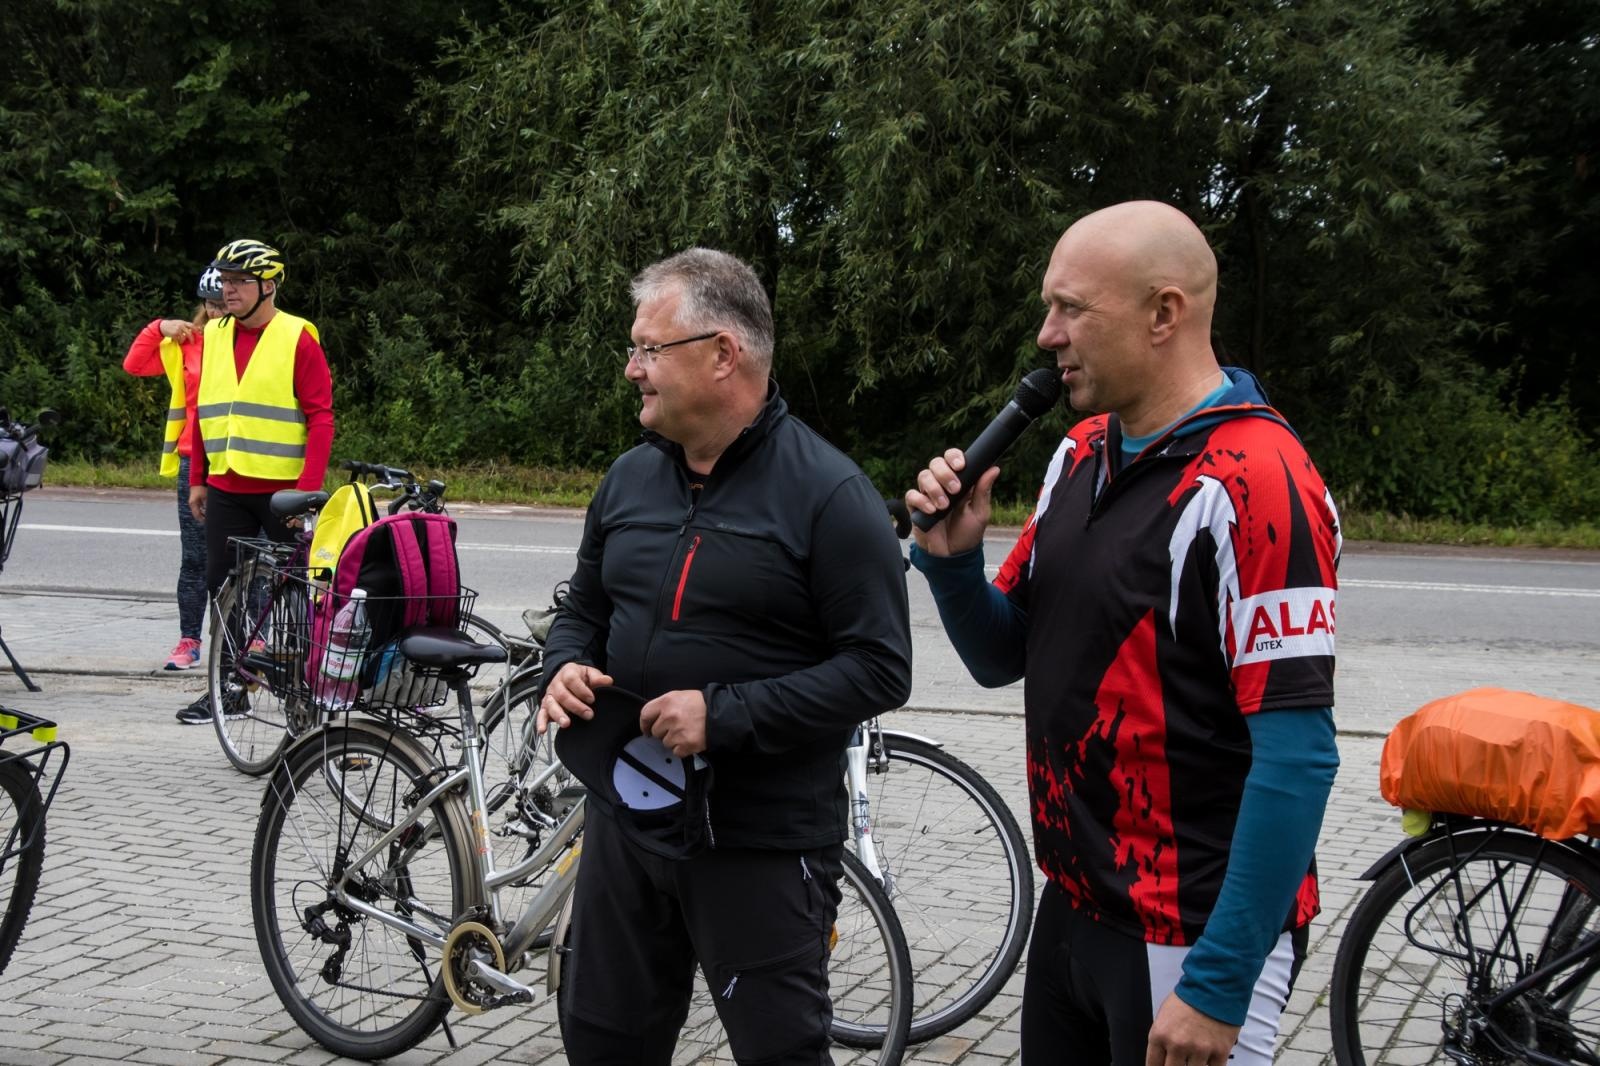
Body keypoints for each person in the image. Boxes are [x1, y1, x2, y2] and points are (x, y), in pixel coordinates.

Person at [904, 201, 1341, 1066]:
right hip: (1073, 906)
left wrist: (1219, 982)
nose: (1047, 335)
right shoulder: (1081, 452)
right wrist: (953, 566)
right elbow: (1002, 655)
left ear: (1163, 313)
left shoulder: (1258, 482)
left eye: (1070, 308)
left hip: (1191, 935)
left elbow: (1299, 759)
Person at [535, 247, 912, 1065]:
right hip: (626, 824)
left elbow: (880, 668)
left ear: (721, 354)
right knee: (602, 1041)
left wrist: (724, 715)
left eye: (649, 349)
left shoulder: (830, 496)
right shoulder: (628, 480)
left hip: (759, 843)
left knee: (779, 1053)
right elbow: (584, 609)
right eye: (633, 348)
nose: (632, 369)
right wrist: (561, 664)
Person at [176, 238, 335, 724]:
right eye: (225, 281)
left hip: (282, 493)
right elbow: (205, 409)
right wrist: (199, 478)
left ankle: (303, 693)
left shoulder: (297, 336)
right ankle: (229, 688)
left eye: (240, 281)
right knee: (221, 587)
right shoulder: (216, 333)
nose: (229, 290)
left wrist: (306, 491)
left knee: (297, 592)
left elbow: (321, 417)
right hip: (226, 487)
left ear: (268, 286)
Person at [122, 266, 224, 670]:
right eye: (210, 304)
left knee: (244, 558)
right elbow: (135, 364)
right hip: (193, 459)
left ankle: (247, 643)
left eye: (223, 304)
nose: (217, 312)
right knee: (196, 557)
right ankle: (189, 641)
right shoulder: (189, 342)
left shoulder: (256, 344)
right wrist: (159, 327)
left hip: (240, 459)